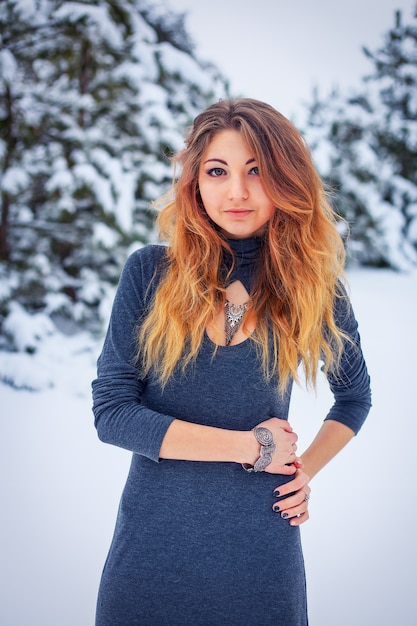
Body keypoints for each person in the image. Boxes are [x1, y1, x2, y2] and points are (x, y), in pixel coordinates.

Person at [92, 98, 371, 626]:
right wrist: (252, 447)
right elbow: (112, 414)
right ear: (195, 181)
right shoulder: (150, 274)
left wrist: (300, 469)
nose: (237, 192)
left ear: (286, 181)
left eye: (257, 171)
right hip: (151, 551)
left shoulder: (312, 288)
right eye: (217, 171)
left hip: (261, 553)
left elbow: (355, 396)